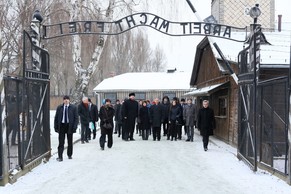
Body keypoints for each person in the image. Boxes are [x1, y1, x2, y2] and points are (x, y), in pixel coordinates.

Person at [54, 95, 78, 161]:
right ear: (63, 100)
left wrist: (74, 126)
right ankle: (60, 156)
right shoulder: (60, 107)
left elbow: (76, 118)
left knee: (70, 141)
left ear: (69, 100)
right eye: (65, 99)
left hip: (69, 126)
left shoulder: (73, 107)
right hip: (62, 126)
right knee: (61, 142)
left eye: (67, 99)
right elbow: (56, 117)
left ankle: (69, 154)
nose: (66, 100)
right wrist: (56, 126)